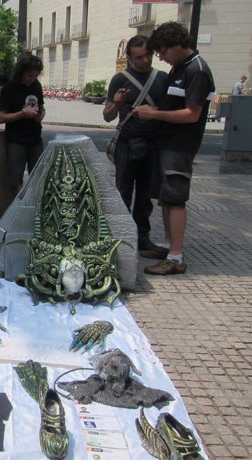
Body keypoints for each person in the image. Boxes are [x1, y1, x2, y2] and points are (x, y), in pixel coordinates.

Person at [132, 21, 215, 275]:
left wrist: (156, 115)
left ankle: (176, 258)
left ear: (177, 45)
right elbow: (174, 106)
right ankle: (168, 248)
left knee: (176, 200)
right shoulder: (180, 67)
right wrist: (154, 111)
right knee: (166, 199)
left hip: (180, 146)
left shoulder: (197, 70)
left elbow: (192, 114)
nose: (162, 58)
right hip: (166, 143)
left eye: (163, 52)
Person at [103, 35, 168, 259]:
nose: (145, 60)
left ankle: (142, 237)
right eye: (139, 57)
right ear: (129, 57)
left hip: (152, 145)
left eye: (148, 55)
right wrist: (118, 103)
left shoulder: (161, 78)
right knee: (122, 192)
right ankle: (121, 236)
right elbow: (108, 116)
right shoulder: (119, 79)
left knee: (145, 196)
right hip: (127, 145)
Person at [0, 53, 45, 194]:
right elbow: (1, 117)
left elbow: (41, 107)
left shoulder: (36, 85)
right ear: (21, 73)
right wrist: (22, 113)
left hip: (35, 139)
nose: (33, 79)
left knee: (38, 177)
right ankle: (16, 209)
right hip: (16, 140)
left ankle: (35, 208)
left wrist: (40, 114)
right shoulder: (9, 89)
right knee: (16, 179)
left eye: (36, 76)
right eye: (30, 76)